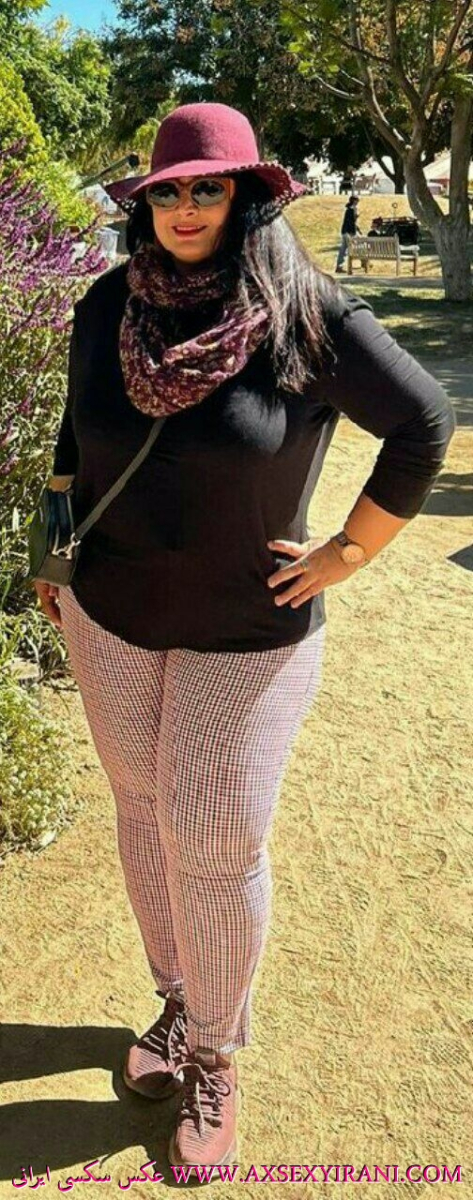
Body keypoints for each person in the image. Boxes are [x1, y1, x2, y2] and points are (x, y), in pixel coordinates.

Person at [31, 101, 456, 1170]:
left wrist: (348, 551)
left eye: (206, 188)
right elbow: (72, 434)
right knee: (142, 810)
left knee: (213, 841)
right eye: (167, 191)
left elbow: (420, 423)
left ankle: (217, 1054)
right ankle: (180, 1000)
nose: (184, 208)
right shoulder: (107, 304)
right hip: (111, 614)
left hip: (245, 633)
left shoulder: (304, 314)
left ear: (247, 196)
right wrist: (51, 554)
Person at [335, 194, 362, 272]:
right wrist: (356, 217)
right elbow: (351, 222)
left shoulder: (349, 209)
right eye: (357, 200)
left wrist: (358, 229)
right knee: (358, 246)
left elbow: (351, 222)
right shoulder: (352, 209)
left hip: (346, 231)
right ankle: (364, 262)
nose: (358, 202)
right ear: (354, 201)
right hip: (349, 232)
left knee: (343, 249)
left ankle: (339, 266)